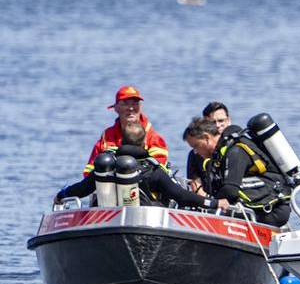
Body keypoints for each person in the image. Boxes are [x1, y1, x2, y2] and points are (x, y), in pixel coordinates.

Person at [56, 121, 227, 210]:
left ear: (122, 140)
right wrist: (213, 203)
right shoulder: (153, 170)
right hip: (146, 227)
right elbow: (181, 196)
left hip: (105, 224)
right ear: (145, 142)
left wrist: (62, 194)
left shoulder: (106, 167)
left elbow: (82, 188)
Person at [184, 117, 293, 226]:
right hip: (256, 207)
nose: (196, 152)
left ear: (206, 138)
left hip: (273, 211)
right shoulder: (221, 153)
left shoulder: (235, 151)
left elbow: (230, 191)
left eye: (196, 146)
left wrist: (209, 204)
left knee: (207, 213)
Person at [83, 85, 169, 176]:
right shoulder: (107, 137)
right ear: (115, 108)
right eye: (125, 103)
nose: (131, 108)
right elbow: (89, 171)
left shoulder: (154, 138)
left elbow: (159, 172)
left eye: (135, 103)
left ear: (140, 106)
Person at [186, 101, 239, 194]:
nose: (218, 125)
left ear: (229, 121)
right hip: (210, 201)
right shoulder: (196, 154)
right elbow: (196, 187)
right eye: (213, 122)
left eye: (221, 121)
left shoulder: (237, 147)